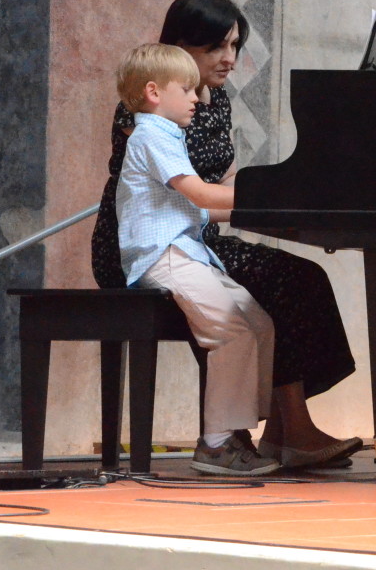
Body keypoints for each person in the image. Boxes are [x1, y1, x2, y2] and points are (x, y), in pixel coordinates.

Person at [92, 0, 359, 469]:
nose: (230, 58)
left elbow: (225, 178)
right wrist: (275, 199)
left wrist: (273, 191)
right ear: (180, 46)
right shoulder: (149, 112)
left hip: (193, 235)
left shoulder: (209, 101)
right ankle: (243, 436)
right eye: (217, 46)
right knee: (276, 284)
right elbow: (194, 193)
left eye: (235, 45)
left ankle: (281, 430)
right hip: (143, 244)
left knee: (300, 280)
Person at [114, 43, 277, 476]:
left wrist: (270, 208)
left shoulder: (167, 135)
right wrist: (268, 196)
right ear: (153, 92)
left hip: (185, 251)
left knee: (258, 322)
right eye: (186, 90)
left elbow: (197, 209)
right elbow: (202, 195)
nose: (196, 98)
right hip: (161, 256)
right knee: (230, 329)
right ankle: (216, 443)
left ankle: (238, 425)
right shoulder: (150, 134)